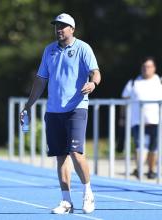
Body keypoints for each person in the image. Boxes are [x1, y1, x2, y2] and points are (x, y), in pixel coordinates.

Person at [20, 13, 101, 214]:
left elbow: (96, 72)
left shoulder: (83, 48)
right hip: (54, 111)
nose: (59, 29)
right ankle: (66, 201)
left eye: (63, 26)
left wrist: (93, 83)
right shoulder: (49, 51)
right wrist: (29, 105)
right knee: (60, 157)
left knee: (75, 152)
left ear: (72, 29)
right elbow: (40, 81)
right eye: (57, 26)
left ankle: (88, 193)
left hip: (77, 108)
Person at [121, 57, 162, 179]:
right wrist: (122, 118)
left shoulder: (159, 81)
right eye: (144, 66)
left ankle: (151, 170)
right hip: (138, 121)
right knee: (140, 147)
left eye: (149, 66)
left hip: (156, 121)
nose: (146, 69)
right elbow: (124, 100)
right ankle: (139, 169)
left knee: (153, 148)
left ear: (154, 68)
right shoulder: (133, 82)